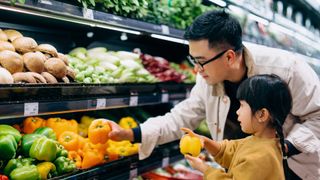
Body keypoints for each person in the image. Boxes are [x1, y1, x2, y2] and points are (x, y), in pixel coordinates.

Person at [107, 10, 320, 179]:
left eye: (200, 61)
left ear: (229, 57)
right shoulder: (208, 78)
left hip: (293, 170)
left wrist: (281, 148)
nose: (197, 69)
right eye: (193, 60)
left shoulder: (287, 69)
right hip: (238, 168)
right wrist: (130, 134)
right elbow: (180, 118)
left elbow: (317, 116)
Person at [182, 74, 291, 180]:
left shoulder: (260, 158)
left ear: (261, 114)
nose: (237, 111)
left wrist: (204, 168)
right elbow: (229, 151)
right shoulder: (260, 141)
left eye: (242, 105)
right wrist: (205, 141)